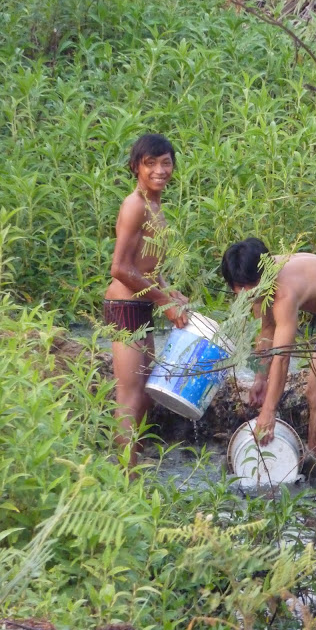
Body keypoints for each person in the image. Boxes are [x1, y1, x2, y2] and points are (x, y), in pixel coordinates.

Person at [221, 238, 316, 466]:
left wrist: (269, 411)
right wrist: (260, 378)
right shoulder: (258, 284)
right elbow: (266, 331)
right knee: (313, 395)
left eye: (247, 288)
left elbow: (282, 358)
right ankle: (310, 461)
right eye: (239, 288)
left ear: (262, 277)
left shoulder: (284, 293)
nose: (244, 294)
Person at [104, 133, 188, 467]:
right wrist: (163, 302)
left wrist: (169, 291)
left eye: (165, 162)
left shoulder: (155, 204)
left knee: (144, 394)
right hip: (125, 306)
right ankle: (126, 476)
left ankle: (133, 465)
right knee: (131, 394)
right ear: (136, 166)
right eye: (150, 163)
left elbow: (147, 265)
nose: (159, 170)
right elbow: (120, 267)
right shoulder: (135, 204)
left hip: (140, 305)